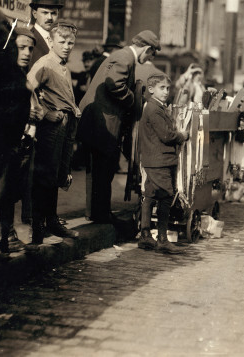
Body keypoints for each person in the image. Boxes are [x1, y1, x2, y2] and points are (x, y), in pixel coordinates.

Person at [78, 30, 161, 223]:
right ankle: (102, 215)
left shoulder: (122, 56)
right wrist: (133, 100)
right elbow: (114, 84)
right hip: (103, 123)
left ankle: (101, 213)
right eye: (151, 54)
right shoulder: (126, 57)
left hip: (99, 122)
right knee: (104, 170)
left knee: (102, 171)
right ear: (147, 49)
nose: (149, 58)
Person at [27, 20, 81, 247]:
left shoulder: (62, 65)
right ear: (50, 41)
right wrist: (45, 113)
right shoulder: (45, 63)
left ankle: (51, 220)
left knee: (57, 173)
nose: (67, 46)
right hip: (51, 128)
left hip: (65, 127)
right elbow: (27, 87)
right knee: (45, 176)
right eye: (62, 42)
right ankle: (38, 228)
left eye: (71, 42)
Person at [0, 28, 42, 254]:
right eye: (20, 47)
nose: (26, 53)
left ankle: (8, 235)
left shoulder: (23, 75)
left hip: (23, 144)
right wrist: (27, 114)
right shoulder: (2, 75)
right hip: (3, 145)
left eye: (30, 48)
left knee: (11, 193)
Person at [138, 71, 189, 254]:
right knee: (166, 196)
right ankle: (161, 239)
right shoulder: (154, 109)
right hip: (160, 160)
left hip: (155, 159)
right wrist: (182, 135)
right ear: (151, 89)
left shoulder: (155, 107)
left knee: (150, 195)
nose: (166, 91)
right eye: (162, 88)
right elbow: (166, 135)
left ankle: (145, 235)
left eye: (167, 88)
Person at [28, 0, 64, 69]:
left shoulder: (59, 40)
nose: (50, 17)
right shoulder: (29, 38)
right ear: (34, 14)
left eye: (53, 13)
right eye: (45, 13)